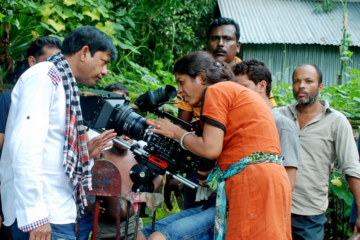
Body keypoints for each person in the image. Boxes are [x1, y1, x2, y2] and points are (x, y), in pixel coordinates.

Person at [138, 51, 292, 240]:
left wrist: (176, 132)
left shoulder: (216, 91)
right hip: (263, 178)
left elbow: (210, 149)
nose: (179, 91)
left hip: (253, 179)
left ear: (201, 77)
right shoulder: (232, 91)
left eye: (181, 82)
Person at [0, 26, 117, 240]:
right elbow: (25, 145)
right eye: (104, 61)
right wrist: (37, 216)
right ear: (84, 52)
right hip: (43, 216)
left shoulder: (63, 83)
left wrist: (85, 153)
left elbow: (50, 149)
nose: (105, 71)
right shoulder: (45, 76)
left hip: (56, 211)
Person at [168, 17, 278, 211]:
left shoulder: (245, 76)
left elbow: (211, 147)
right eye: (215, 38)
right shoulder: (196, 84)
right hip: (207, 162)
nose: (220, 44)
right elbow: (184, 125)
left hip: (237, 169)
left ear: (237, 45)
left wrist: (177, 134)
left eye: (226, 39)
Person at [278, 64, 360, 239]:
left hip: (309, 215)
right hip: (276, 209)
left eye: (309, 81)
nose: (301, 86)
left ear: (320, 87)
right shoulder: (280, 116)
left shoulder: (336, 121)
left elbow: (351, 166)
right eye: (296, 81)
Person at [0, 36, 62, 240]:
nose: (56, 70)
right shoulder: (10, 97)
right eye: (51, 62)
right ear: (32, 62)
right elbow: (9, 146)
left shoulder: (59, 92)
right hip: (19, 197)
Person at [233, 59, 298, 190]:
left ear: (262, 86)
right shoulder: (241, 123)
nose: (237, 95)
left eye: (244, 88)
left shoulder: (282, 125)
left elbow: (287, 183)